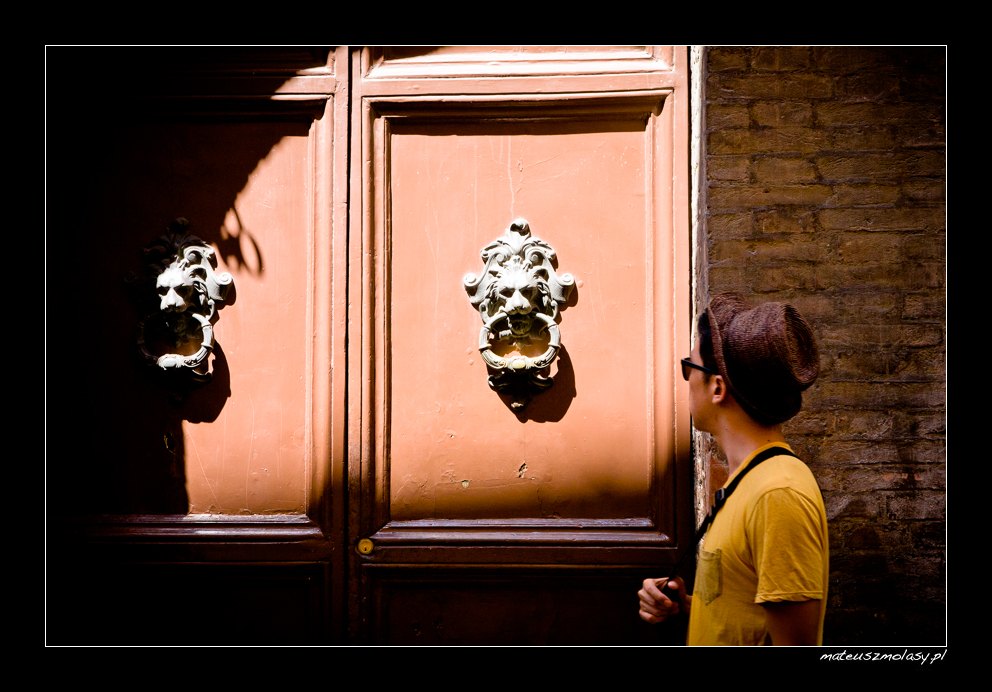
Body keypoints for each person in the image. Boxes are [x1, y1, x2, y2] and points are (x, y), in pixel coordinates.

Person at [638, 292, 829, 645]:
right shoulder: (748, 482)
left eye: (689, 367)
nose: (686, 380)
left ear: (717, 387)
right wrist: (689, 608)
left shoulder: (777, 494)